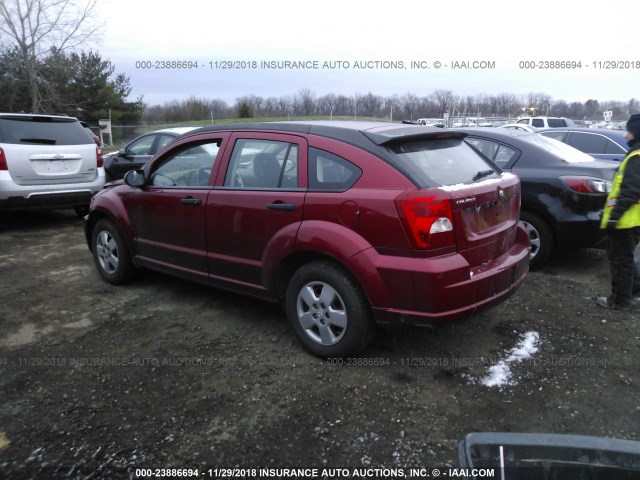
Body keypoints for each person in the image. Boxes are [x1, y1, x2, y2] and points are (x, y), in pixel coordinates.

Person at [597, 113, 640, 310]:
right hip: (633, 219)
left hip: (626, 221)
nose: (625, 136)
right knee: (627, 259)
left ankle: (620, 301)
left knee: (620, 262)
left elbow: (629, 191)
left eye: (629, 131)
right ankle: (632, 292)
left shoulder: (636, 157)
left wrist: (614, 218)